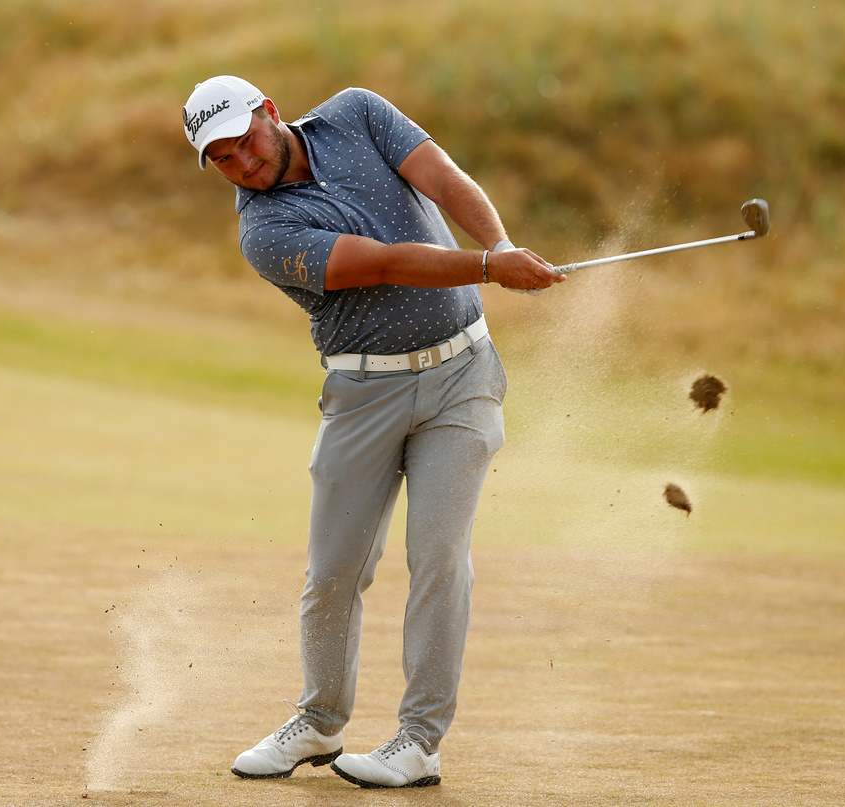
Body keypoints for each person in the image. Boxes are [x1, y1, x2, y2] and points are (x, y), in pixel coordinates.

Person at [181, 76, 564, 789]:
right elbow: (384, 264)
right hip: (365, 393)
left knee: (439, 557)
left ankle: (419, 741)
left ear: (270, 112)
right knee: (334, 570)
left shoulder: (355, 114)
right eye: (223, 159)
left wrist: (502, 245)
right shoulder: (265, 232)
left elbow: (443, 179)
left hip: (464, 376)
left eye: (246, 141)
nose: (243, 163)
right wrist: (490, 267)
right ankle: (320, 719)